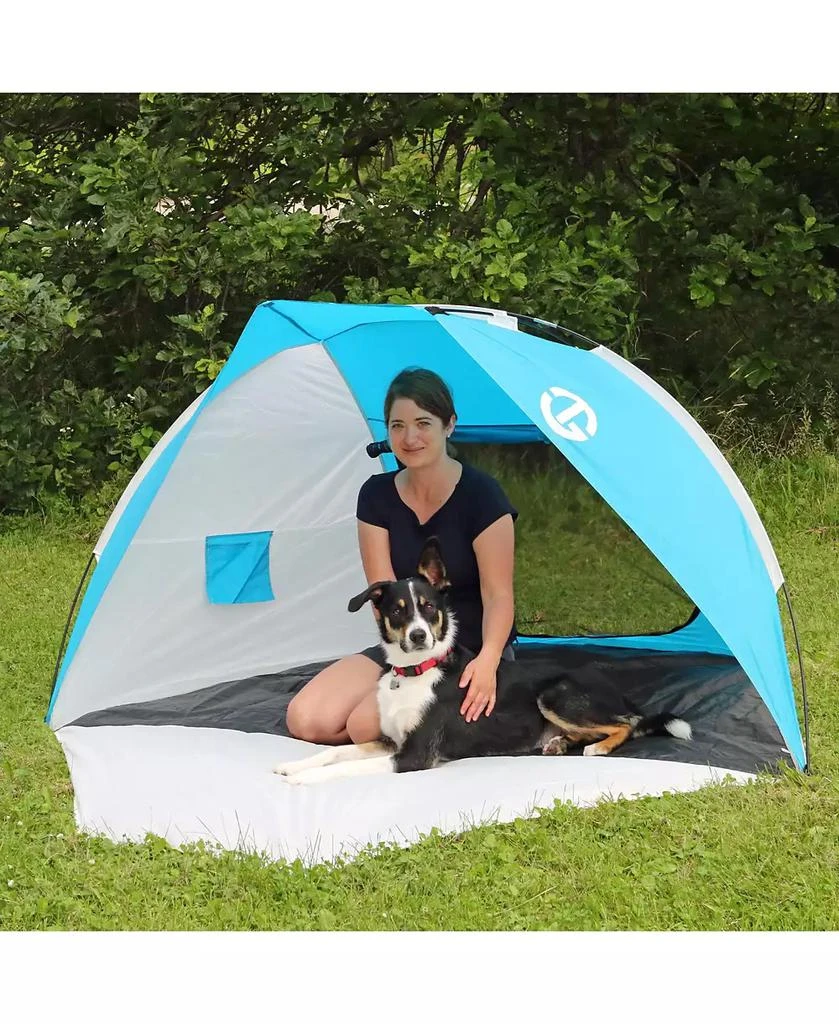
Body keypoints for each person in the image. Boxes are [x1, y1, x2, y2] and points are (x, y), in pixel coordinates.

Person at [286, 367, 517, 745]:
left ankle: (404, 731)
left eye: (423, 423)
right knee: (306, 719)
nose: (410, 438)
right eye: (397, 426)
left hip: (468, 647)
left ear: (449, 425)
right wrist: (401, 666)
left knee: (362, 726)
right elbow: (383, 593)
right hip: (403, 644)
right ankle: (400, 723)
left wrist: (489, 660)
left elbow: (499, 595)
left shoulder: (483, 496)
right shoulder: (375, 496)